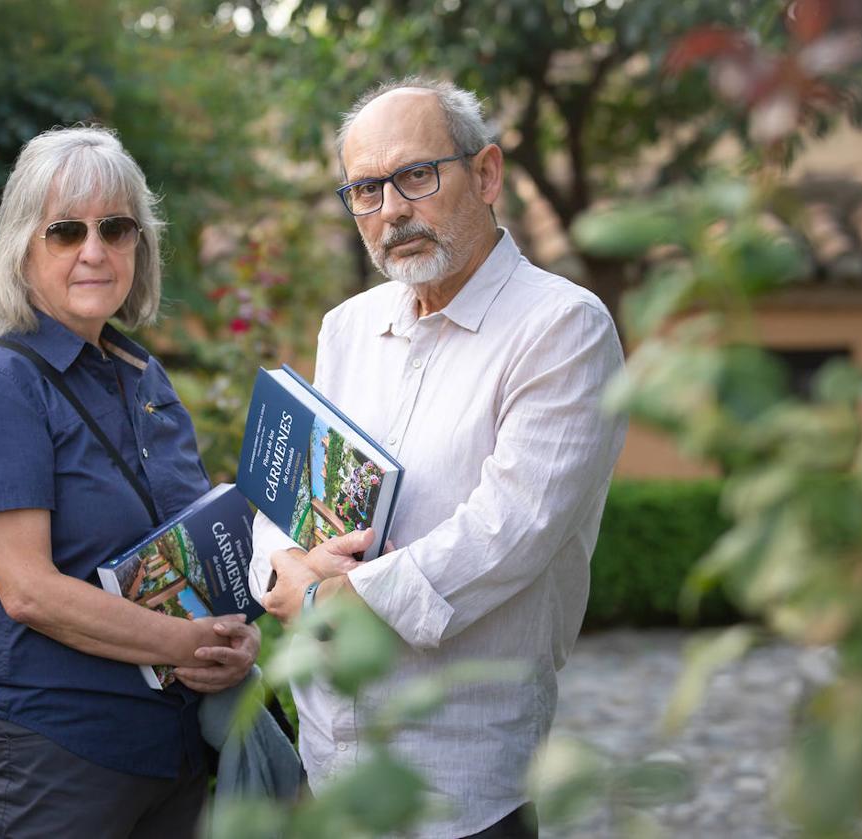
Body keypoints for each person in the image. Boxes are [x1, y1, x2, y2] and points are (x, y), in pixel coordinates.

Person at [251, 77, 627, 838]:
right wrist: (281, 567)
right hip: (330, 759)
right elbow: (289, 488)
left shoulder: (563, 328)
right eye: (365, 189)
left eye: (416, 176)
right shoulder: (347, 328)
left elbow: (507, 533)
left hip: (461, 779)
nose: (391, 210)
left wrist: (332, 604)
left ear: (485, 174)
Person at [0, 126, 259, 839]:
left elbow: (185, 558)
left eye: (116, 227)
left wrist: (232, 639)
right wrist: (186, 643)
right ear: (22, 246)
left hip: (174, 757)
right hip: (60, 757)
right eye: (65, 231)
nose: (94, 250)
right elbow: (29, 591)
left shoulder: (145, 377)